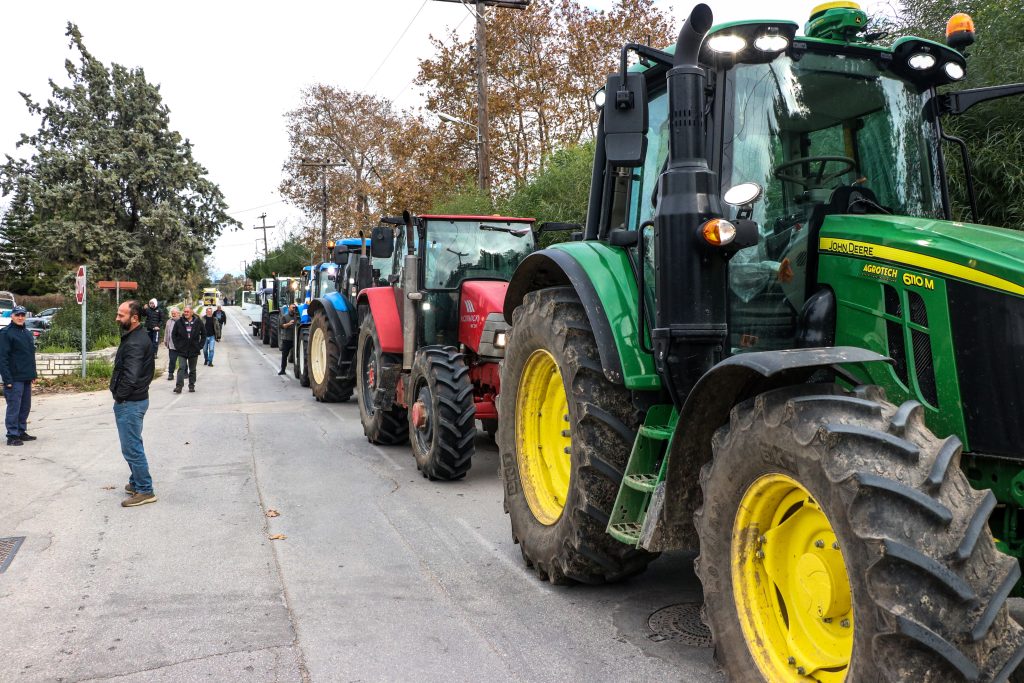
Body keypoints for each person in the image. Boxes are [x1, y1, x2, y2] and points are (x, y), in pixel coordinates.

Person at [111, 300, 157, 507]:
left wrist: (120, 396)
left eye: (121, 315)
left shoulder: (136, 342)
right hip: (132, 400)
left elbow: (131, 376)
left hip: (130, 402)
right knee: (132, 444)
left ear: (134, 318)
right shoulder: (134, 336)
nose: (117, 318)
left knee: (131, 448)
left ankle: (145, 490)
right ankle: (136, 481)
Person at [0, 306, 38, 446]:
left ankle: (21, 431)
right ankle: (12, 435)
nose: (20, 317)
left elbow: (30, 355)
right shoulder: (5, 333)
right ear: (12, 316)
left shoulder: (27, 333)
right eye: (17, 315)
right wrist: (7, 380)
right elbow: (2, 358)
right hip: (14, 378)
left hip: (26, 376)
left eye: (22, 315)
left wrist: (33, 374)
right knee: (14, 408)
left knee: (25, 407)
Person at [171, 305, 204, 393]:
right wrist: (177, 346)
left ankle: (191, 385)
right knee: (181, 368)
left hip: (194, 349)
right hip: (182, 350)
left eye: (187, 312)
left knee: (192, 369)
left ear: (191, 312)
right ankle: (179, 386)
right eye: (184, 312)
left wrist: (200, 346)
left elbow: (204, 334)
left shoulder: (198, 322)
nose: (185, 313)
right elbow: (173, 335)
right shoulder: (179, 322)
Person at [278, 303, 297, 375]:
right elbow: (282, 326)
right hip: (287, 339)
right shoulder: (285, 317)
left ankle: (296, 371)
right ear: (289, 308)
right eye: (292, 308)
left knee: (296, 356)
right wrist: (289, 323)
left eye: (295, 308)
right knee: (284, 355)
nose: (294, 309)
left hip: (294, 339)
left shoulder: (297, 317)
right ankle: (283, 370)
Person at [164, 307, 181, 381]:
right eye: (172, 313)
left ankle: (185, 373)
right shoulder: (169, 321)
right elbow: (166, 332)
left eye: (175, 313)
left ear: (178, 313)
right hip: (171, 345)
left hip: (181, 346)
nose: (173, 314)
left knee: (182, 361)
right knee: (172, 360)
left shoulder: (182, 321)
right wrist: (165, 341)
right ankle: (170, 374)